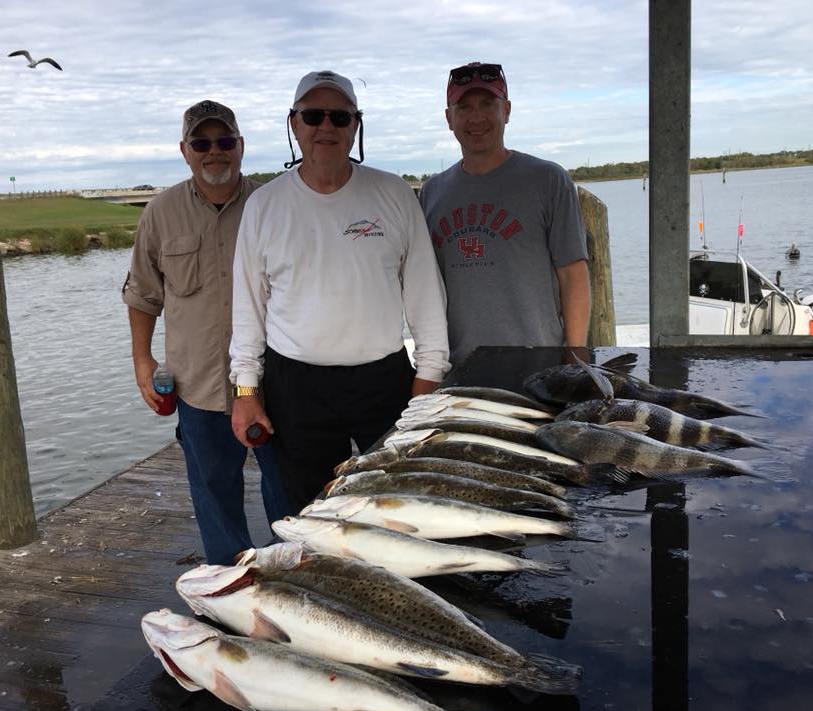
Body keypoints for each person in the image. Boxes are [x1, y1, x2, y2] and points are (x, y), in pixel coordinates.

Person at [229, 70, 451, 514]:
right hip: (296, 383)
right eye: (313, 115)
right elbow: (248, 307)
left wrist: (429, 376)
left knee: (400, 503)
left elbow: (426, 294)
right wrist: (246, 391)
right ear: (294, 124)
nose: (325, 126)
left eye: (339, 116)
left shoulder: (393, 193)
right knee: (311, 511)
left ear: (356, 124)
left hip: (384, 379)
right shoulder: (264, 206)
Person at [122, 99, 288, 564]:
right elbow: (142, 294)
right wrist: (142, 360)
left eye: (224, 141)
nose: (214, 151)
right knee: (214, 500)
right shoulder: (160, 212)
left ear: (241, 146)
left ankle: (295, 587)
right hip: (199, 389)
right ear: (185, 150)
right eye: (202, 142)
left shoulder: (274, 204)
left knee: (290, 499)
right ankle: (229, 588)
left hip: (276, 384)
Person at [419, 62, 591, 367]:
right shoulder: (431, 193)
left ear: (507, 110)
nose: (476, 117)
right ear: (449, 118)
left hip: (539, 365)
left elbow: (573, 274)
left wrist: (576, 356)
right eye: (464, 107)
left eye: (488, 104)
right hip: (460, 369)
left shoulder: (549, 180)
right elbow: (425, 288)